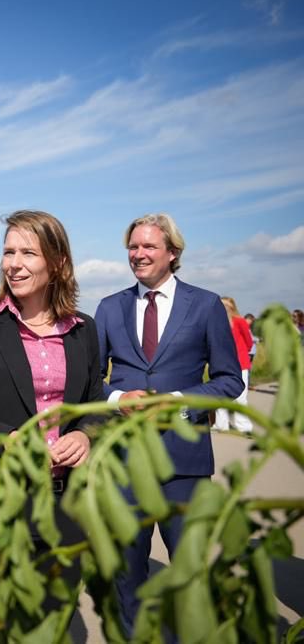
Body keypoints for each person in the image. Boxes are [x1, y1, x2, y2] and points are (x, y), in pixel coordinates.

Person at [0, 210, 104, 640]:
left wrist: (85, 434)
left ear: (59, 263)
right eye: (9, 251)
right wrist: (7, 438)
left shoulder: (84, 330)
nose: (14, 262)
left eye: (29, 252)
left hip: (64, 505)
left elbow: (95, 404)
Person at [93, 213, 243, 634]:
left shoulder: (207, 304)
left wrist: (177, 402)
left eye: (148, 247)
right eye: (133, 247)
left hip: (185, 463)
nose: (138, 254)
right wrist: (118, 399)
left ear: (172, 253)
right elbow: (89, 379)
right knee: (127, 571)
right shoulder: (109, 307)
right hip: (123, 463)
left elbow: (229, 379)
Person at [213, 297, 254, 434]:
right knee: (220, 395)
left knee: (240, 397)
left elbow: (249, 342)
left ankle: (244, 427)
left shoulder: (239, 321)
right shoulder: (216, 322)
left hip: (240, 363)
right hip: (221, 363)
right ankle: (221, 424)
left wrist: (242, 352)